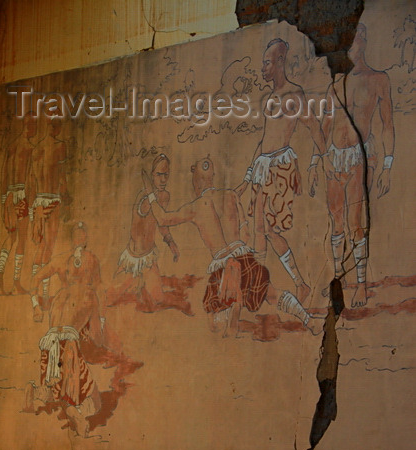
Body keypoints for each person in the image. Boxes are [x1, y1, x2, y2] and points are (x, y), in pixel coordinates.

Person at [143, 157, 323, 337]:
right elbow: (244, 229)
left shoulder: (196, 207)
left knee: (214, 322)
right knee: (272, 294)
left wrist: (150, 193)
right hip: (243, 257)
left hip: (222, 264)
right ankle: (309, 320)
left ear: (196, 180)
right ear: (212, 176)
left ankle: (234, 304)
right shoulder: (231, 195)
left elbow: (164, 218)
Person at [236, 38, 333, 304]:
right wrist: (246, 179)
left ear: (280, 62)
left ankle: (295, 284)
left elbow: (313, 126)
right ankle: (261, 287)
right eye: (262, 63)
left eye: (267, 63)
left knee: (266, 227)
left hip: (279, 167)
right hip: (262, 167)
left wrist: (322, 161)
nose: (263, 69)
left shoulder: (293, 95)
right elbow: (263, 141)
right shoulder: (269, 99)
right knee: (259, 228)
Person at [309, 22, 395, 308]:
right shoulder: (337, 85)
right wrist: (315, 161)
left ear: (365, 42)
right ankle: (337, 280)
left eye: (355, 42)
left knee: (356, 223)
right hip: (334, 156)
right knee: (335, 223)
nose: (351, 49)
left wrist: (387, 165)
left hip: (359, 157)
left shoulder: (378, 79)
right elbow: (325, 124)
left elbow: (387, 126)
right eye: (348, 44)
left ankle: (360, 284)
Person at [25, 222, 119, 437]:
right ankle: (73, 412)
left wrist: (35, 305)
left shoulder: (66, 272)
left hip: (54, 337)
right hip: (66, 341)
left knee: (56, 377)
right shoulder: (87, 288)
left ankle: (42, 394)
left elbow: (34, 280)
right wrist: (99, 327)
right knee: (84, 392)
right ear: (82, 240)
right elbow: (96, 336)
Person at [107, 153, 193, 315]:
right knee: (110, 299)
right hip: (132, 259)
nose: (163, 179)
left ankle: (149, 287)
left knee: (158, 298)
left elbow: (161, 222)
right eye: (159, 174)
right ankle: (137, 282)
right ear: (152, 174)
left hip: (148, 258)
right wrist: (150, 191)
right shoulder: (145, 196)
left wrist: (171, 243)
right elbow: (151, 208)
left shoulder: (163, 196)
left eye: (166, 175)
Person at [29, 117, 70, 302]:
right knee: (47, 247)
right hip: (52, 200)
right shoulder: (60, 146)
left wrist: (34, 208)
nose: (58, 127)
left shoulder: (36, 147)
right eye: (57, 124)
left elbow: (32, 180)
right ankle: (41, 291)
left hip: (39, 200)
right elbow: (61, 176)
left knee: (42, 247)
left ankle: (36, 290)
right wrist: (66, 196)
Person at [0, 112, 36, 296]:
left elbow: (4, 175)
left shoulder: (11, 147)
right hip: (21, 195)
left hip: (9, 196)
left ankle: (0, 274)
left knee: (10, 237)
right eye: (34, 125)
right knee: (22, 239)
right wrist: (30, 204)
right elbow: (29, 178)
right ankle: (16, 283)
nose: (35, 128)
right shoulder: (28, 148)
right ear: (29, 125)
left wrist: (5, 201)